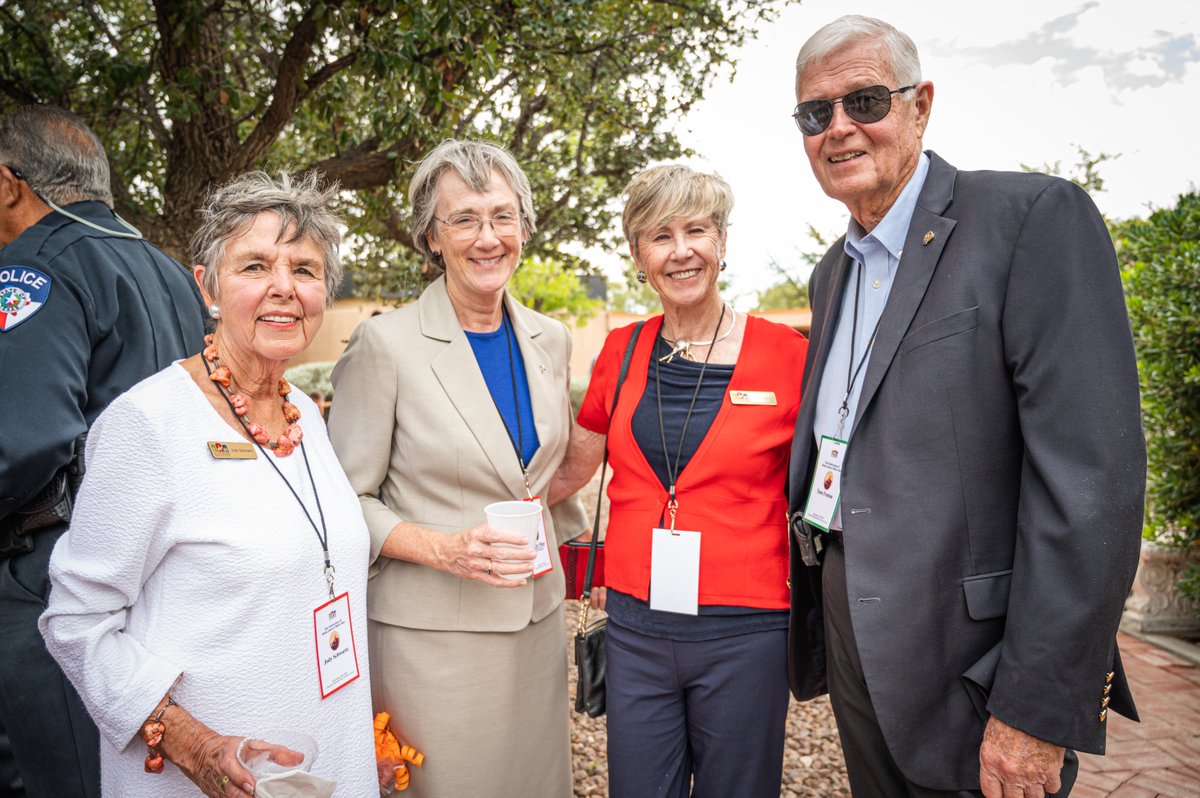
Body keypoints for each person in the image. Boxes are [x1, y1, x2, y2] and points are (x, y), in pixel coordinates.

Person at [784, 15, 1146, 797]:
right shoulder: (830, 273)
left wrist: (1039, 707)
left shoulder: (1029, 221)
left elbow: (1092, 490)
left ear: (921, 105)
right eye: (817, 113)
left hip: (973, 663)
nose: (839, 128)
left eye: (866, 101)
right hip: (855, 628)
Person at [39, 171, 377, 797]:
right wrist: (192, 742)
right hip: (207, 777)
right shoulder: (148, 423)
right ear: (207, 287)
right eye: (255, 266)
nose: (284, 289)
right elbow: (76, 622)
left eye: (304, 270)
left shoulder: (304, 412)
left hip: (326, 760)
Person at [328, 138, 585, 797]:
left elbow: (543, 476)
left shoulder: (550, 340)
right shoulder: (384, 345)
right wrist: (445, 549)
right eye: (464, 219)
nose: (487, 236)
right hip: (430, 642)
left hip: (536, 627)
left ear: (525, 227)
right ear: (431, 238)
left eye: (502, 216)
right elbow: (342, 501)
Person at [549, 165, 809, 797]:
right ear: (639, 255)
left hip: (746, 631)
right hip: (636, 627)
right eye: (660, 235)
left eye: (697, 230)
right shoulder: (621, 350)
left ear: (721, 244)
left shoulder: (789, 355)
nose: (681, 250)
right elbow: (569, 471)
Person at [0, 105, 207, 798]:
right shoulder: (173, 273)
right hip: (157, 575)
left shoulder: (32, 268)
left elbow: (19, 445)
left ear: (9, 184)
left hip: (48, 578)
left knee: (54, 775)